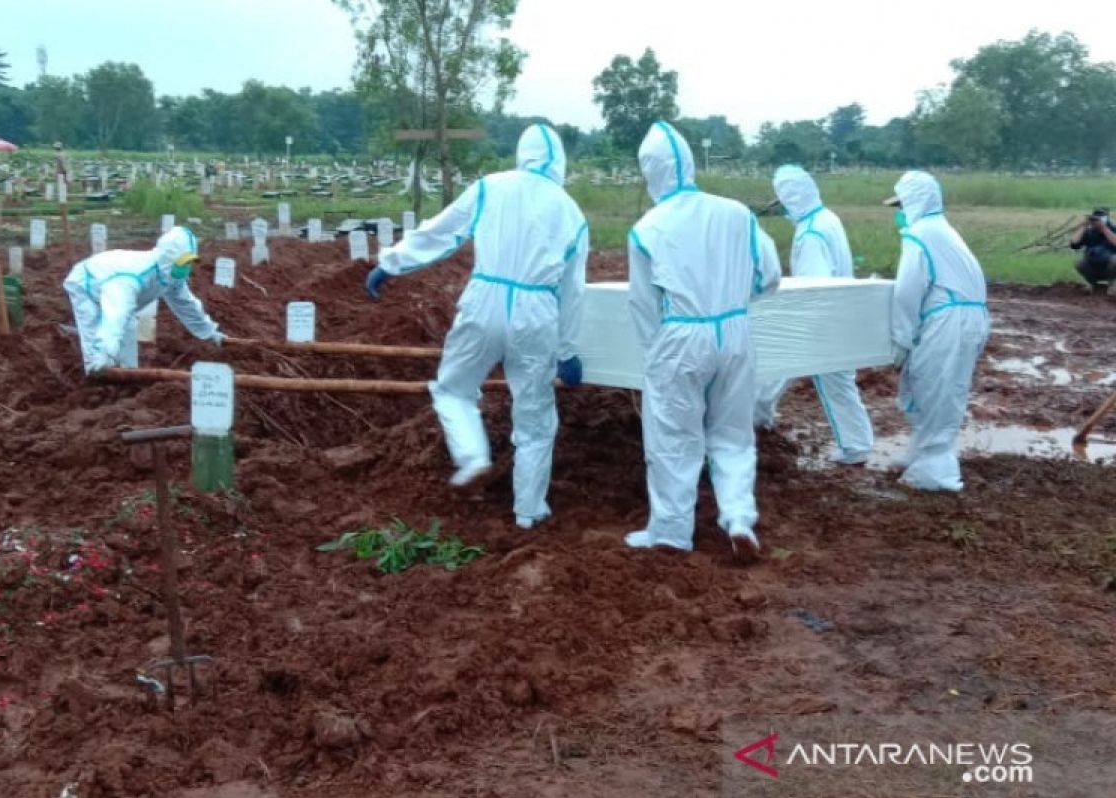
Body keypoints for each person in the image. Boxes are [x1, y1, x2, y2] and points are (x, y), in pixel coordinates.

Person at [364, 123, 589, 529]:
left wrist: (391, 262)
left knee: (453, 390)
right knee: (535, 416)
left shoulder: (491, 187)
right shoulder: (570, 211)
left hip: (485, 298)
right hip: (537, 313)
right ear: (560, 162)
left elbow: (443, 231)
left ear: (522, 153)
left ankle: (471, 458)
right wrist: (567, 351)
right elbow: (574, 290)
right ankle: (528, 512)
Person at [625, 121, 781, 560]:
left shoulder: (648, 227)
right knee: (733, 434)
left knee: (675, 437)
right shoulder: (736, 213)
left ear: (650, 171)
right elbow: (769, 276)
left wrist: (657, 352)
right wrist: (731, 297)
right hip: (734, 331)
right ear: (691, 163)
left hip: (680, 335)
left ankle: (672, 532)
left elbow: (642, 304)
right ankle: (738, 518)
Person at [754, 164, 874, 464]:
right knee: (837, 382)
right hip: (840, 313)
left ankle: (753, 427)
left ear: (791, 200)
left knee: (772, 371)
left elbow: (813, 286)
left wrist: (797, 326)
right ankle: (857, 444)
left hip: (820, 320)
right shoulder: (827, 218)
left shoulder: (810, 235)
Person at [885, 171, 989, 491]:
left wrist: (901, 339)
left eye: (901, 205)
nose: (898, 213)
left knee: (937, 390)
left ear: (914, 201)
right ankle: (922, 452)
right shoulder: (942, 231)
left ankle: (936, 473)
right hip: (964, 318)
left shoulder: (921, 234)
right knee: (925, 384)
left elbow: (907, 291)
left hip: (949, 322)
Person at [63, 226, 225, 374]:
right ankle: (95, 377)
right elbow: (116, 314)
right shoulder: (134, 278)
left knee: (128, 327)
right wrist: (104, 352)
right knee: (96, 333)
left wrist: (210, 332)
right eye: (183, 263)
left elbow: (186, 304)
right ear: (168, 258)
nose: (186, 268)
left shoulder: (170, 276)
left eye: (189, 263)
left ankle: (128, 375)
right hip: (87, 283)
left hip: (114, 290)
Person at [1069, 207, 1116, 292]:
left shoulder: (1113, 229)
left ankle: (1112, 284)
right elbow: (1074, 244)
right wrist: (1084, 226)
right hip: (1093, 265)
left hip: (1110, 267)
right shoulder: (1089, 232)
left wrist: (1104, 229)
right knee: (1079, 262)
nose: (1097, 221)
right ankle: (1092, 283)